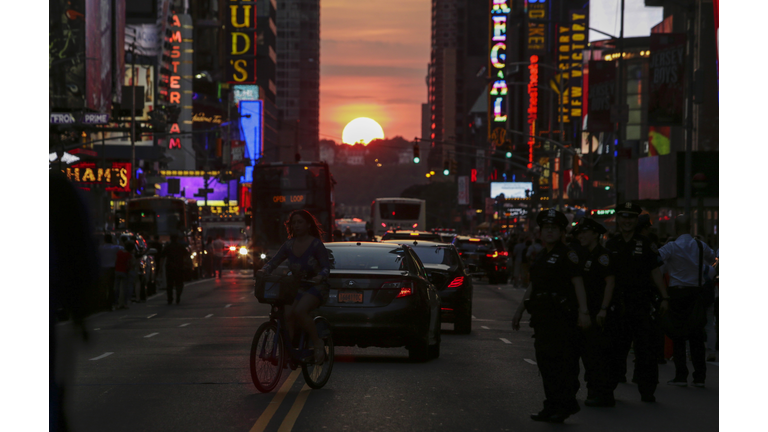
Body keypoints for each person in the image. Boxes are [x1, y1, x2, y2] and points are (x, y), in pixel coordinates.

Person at [512, 209, 591, 423]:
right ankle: (551, 405)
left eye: (553, 228)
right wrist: (519, 311)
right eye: (545, 228)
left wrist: (584, 312)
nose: (549, 232)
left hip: (563, 319)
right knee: (545, 364)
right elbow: (533, 286)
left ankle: (564, 406)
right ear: (540, 232)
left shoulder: (567, 254)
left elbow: (578, 283)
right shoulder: (541, 256)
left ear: (561, 232)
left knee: (562, 365)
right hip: (543, 319)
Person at [605, 202, 669, 403]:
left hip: (641, 303)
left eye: (631, 217)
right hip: (617, 305)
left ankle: (647, 390)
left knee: (645, 350)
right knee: (615, 349)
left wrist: (665, 297)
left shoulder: (646, 243)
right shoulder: (611, 245)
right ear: (617, 219)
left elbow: (655, 272)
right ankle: (609, 388)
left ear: (636, 220)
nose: (626, 221)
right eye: (623, 217)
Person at [256, 210, 331, 365]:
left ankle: (317, 342)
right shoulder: (288, 245)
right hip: (296, 287)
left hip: (316, 287)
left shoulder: (316, 244)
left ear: (308, 224)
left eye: (300, 222)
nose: (296, 225)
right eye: (294, 223)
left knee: (300, 311)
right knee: (287, 314)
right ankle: (288, 352)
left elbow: (326, 267)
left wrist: (319, 277)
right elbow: (274, 261)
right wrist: (264, 270)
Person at [657, 214, 716, 388]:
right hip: (696, 293)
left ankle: (681, 375)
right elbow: (712, 259)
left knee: (678, 335)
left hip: (676, 294)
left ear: (675, 228)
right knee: (697, 335)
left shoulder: (671, 247)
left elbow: (656, 261)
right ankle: (699, 377)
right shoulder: (700, 245)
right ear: (690, 227)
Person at [574, 218, 616, 407]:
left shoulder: (603, 255)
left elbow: (610, 282)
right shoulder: (579, 254)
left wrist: (603, 309)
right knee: (586, 353)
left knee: (598, 354)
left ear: (595, 234)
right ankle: (594, 389)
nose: (580, 236)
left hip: (598, 312)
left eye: (584, 232)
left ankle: (599, 392)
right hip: (583, 311)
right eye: (579, 233)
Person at [98, 234, 122, 311]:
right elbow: (121, 248)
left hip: (103, 268)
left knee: (103, 287)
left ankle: (103, 303)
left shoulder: (101, 248)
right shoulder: (115, 248)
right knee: (111, 287)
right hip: (112, 268)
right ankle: (110, 304)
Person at [163, 234, 188, 305]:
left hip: (170, 267)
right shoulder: (180, 246)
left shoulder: (168, 247)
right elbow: (186, 255)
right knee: (179, 283)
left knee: (169, 284)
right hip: (179, 267)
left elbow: (163, 256)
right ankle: (178, 295)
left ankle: (170, 299)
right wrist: (185, 263)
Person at [114, 241, 136, 310]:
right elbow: (131, 264)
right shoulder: (129, 255)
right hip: (124, 272)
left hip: (117, 271)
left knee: (116, 288)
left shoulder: (119, 252)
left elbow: (115, 260)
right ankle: (124, 303)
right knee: (124, 288)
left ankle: (116, 303)